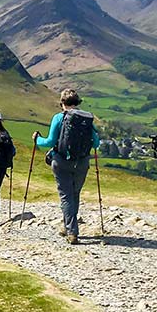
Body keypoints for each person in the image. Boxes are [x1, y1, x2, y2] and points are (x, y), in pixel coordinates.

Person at [34, 88, 100, 245]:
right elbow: (96, 143)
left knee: (65, 195)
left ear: (62, 102)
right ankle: (67, 225)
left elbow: (49, 142)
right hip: (82, 162)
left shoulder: (59, 118)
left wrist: (37, 140)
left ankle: (72, 232)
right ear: (78, 102)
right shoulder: (87, 119)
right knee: (74, 193)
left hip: (62, 161)